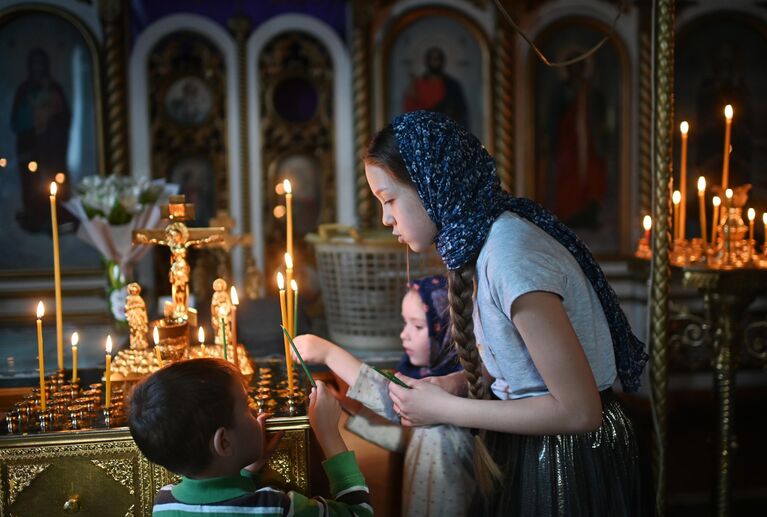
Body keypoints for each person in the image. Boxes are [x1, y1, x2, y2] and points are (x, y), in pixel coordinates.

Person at [362, 110, 648, 516]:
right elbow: (527, 371)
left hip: (572, 458)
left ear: (431, 186)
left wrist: (446, 410)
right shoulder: (485, 244)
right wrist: (457, 385)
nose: (386, 218)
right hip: (542, 444)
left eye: (388, 199)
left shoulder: (510, 254)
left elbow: (580, 410)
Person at [294, 274, 475, 517]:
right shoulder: (434, 378)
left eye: (418, 326)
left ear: (448, 332)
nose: (404, 335)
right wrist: (354, 408)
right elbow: (407, 438)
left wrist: (328, 353)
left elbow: (393, 396)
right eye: (405, 323)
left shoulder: (449, 393)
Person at [128, 358, 372, 516]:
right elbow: (359, 514)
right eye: (246, 406)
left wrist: (245, 470)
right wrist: (328, 434)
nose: (255, 411)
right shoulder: (273, 506)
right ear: (224, 442)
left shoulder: (164, 504)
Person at [403, 47, 469, 129]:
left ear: (442, 61)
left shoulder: (452, 86)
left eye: (437, 58)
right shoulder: (417, 85)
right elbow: (410, 111)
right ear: (427, 61)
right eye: (431, 58)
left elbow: (461, 113)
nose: (434, 62)